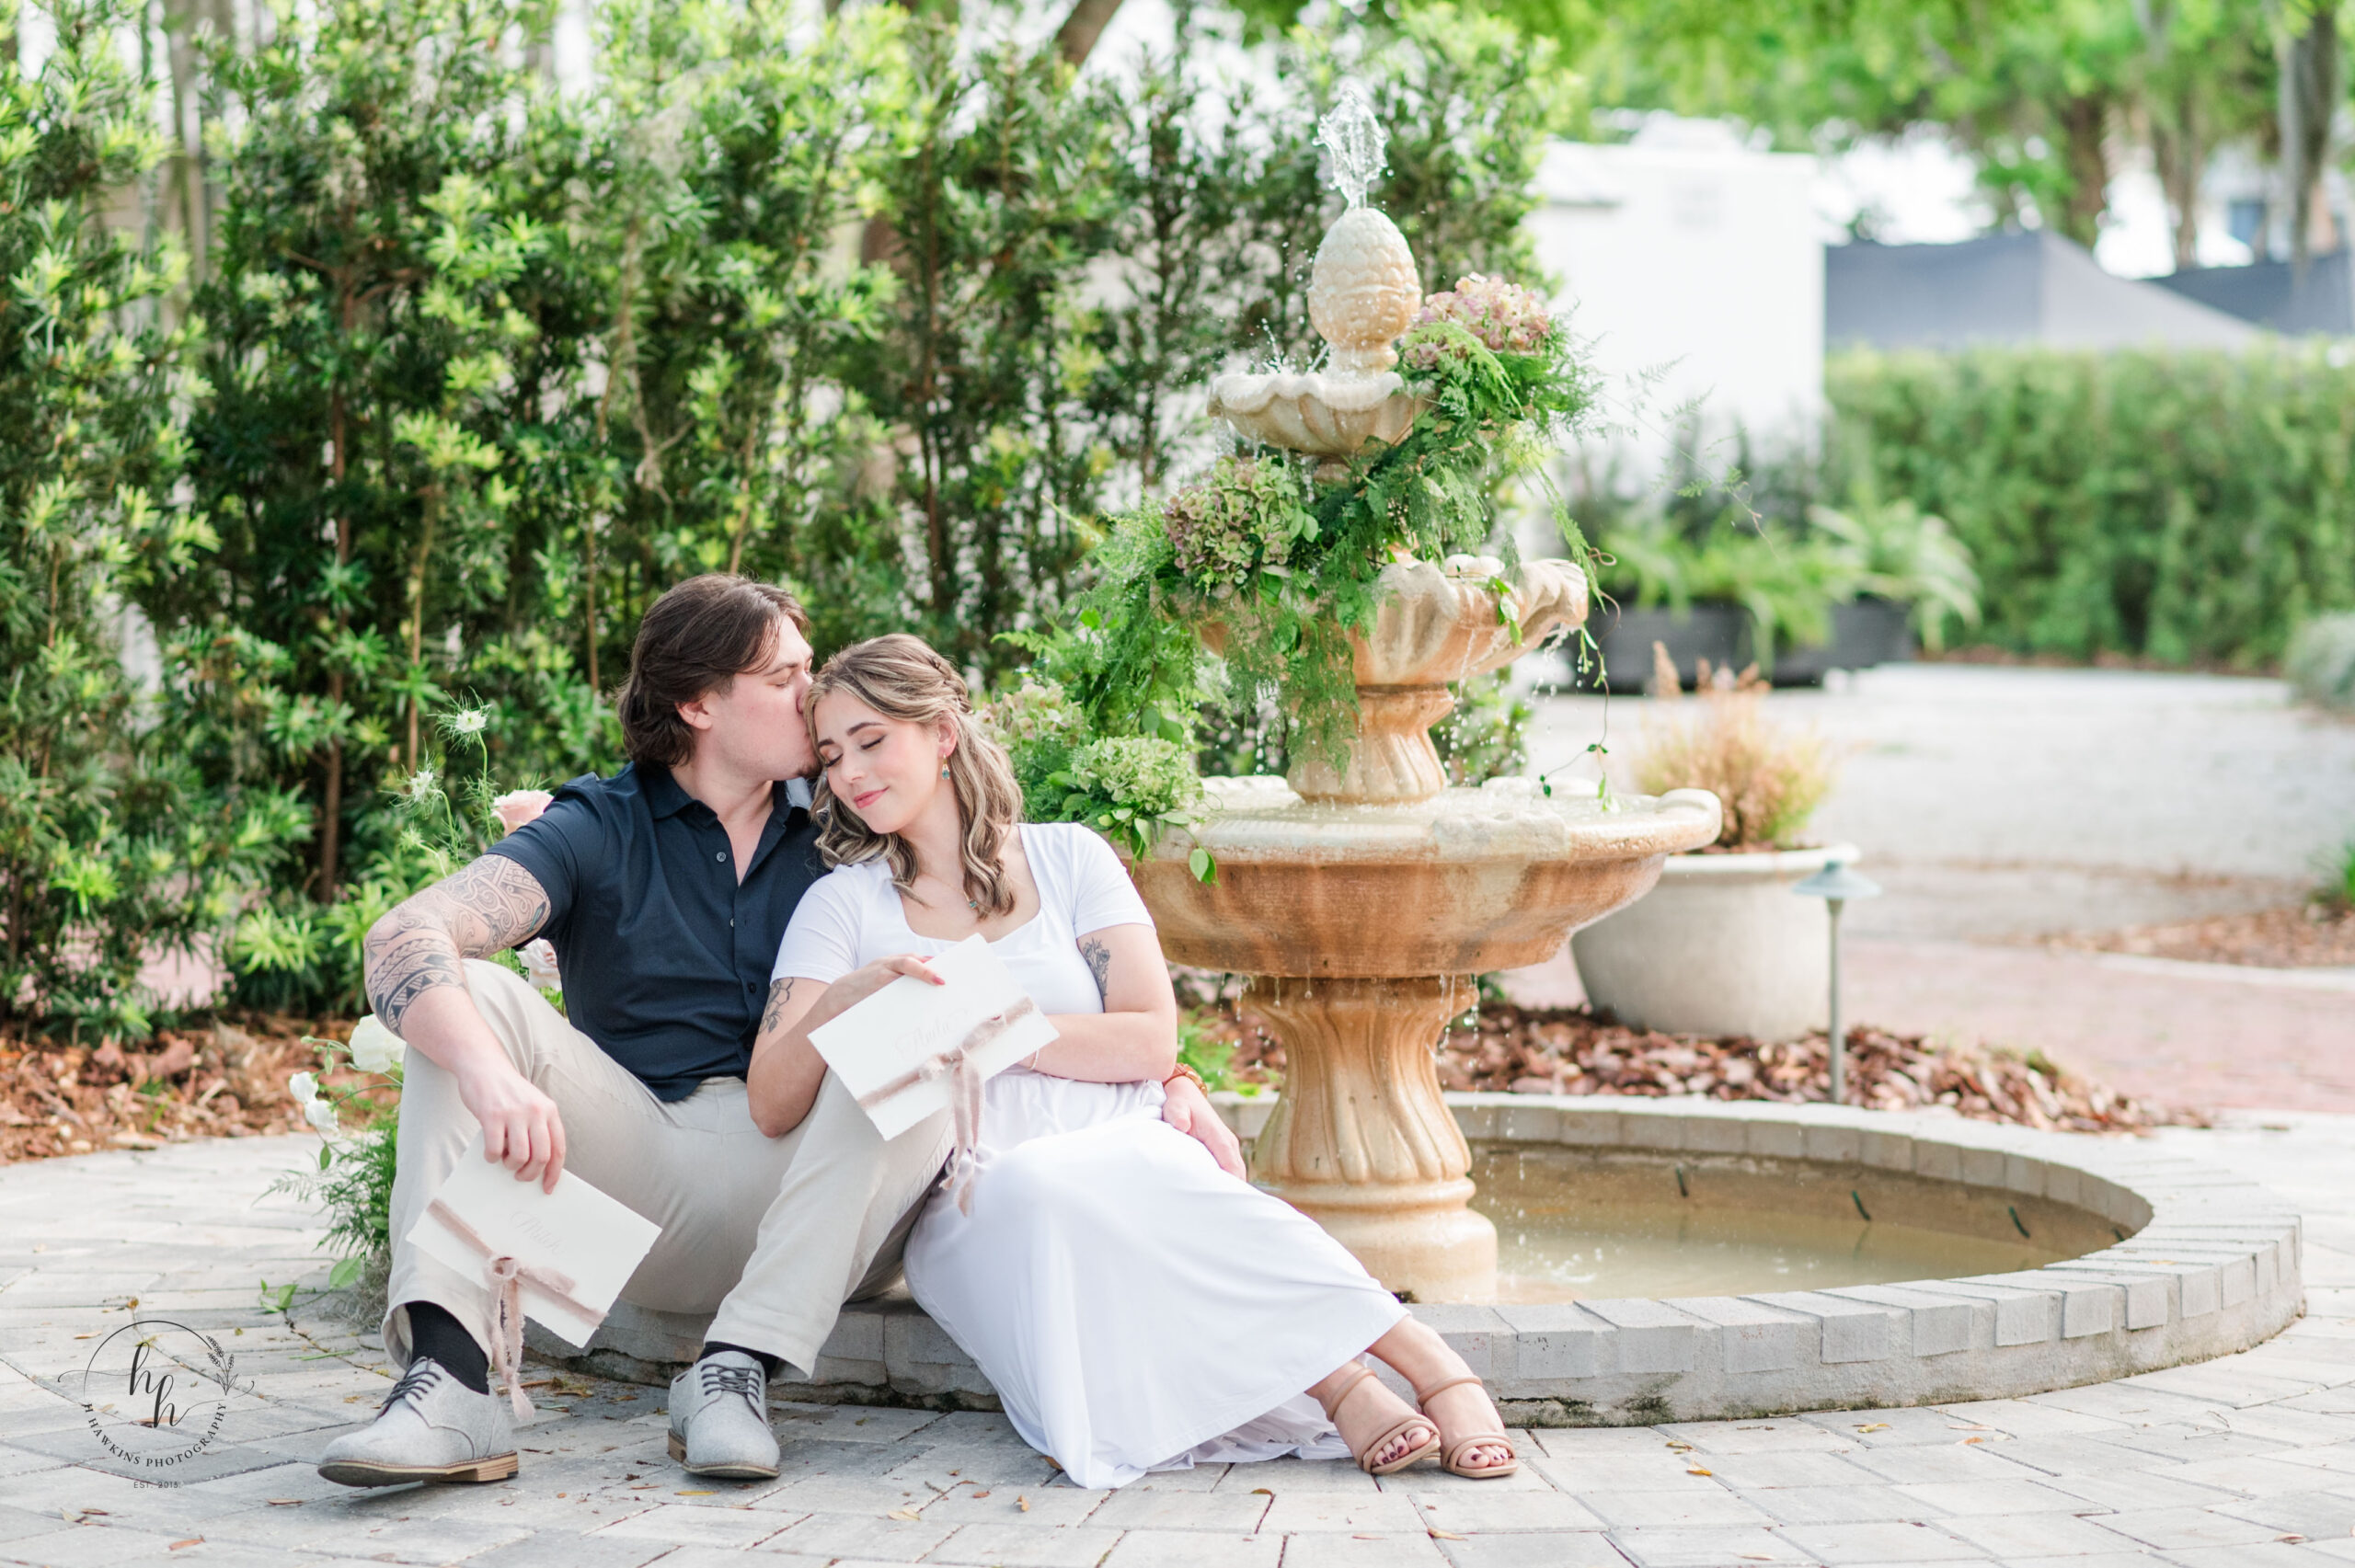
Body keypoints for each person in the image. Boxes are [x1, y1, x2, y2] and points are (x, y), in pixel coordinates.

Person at [318, 576, 1244, 1488]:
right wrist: (489, 1074)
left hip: (831, 1206)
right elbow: (404, 934)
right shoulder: (597, 827)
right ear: (699, 703)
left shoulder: (852, 830)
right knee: (462, 997)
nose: (814, 698)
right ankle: (450, 1385)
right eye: (785, 678)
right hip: (633, 1209)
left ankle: (736, 1373)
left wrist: (1171, 1075)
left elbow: (1021, 953)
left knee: (913, 1022)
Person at [749, 634, 1519, 1487]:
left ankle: (1400, 1363)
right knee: (1048, 1189)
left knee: (1146, 1174)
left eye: (872, 739)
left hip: (1123, 1134)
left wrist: (990, 1023)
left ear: (942, 734)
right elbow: (772, 1103)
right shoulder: (840, 905)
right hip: (973, 1186)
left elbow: (1152, 1038)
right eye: (830, 755)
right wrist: (844, 1001)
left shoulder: (1070, 857)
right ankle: (1347, 1374)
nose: (850, 773)